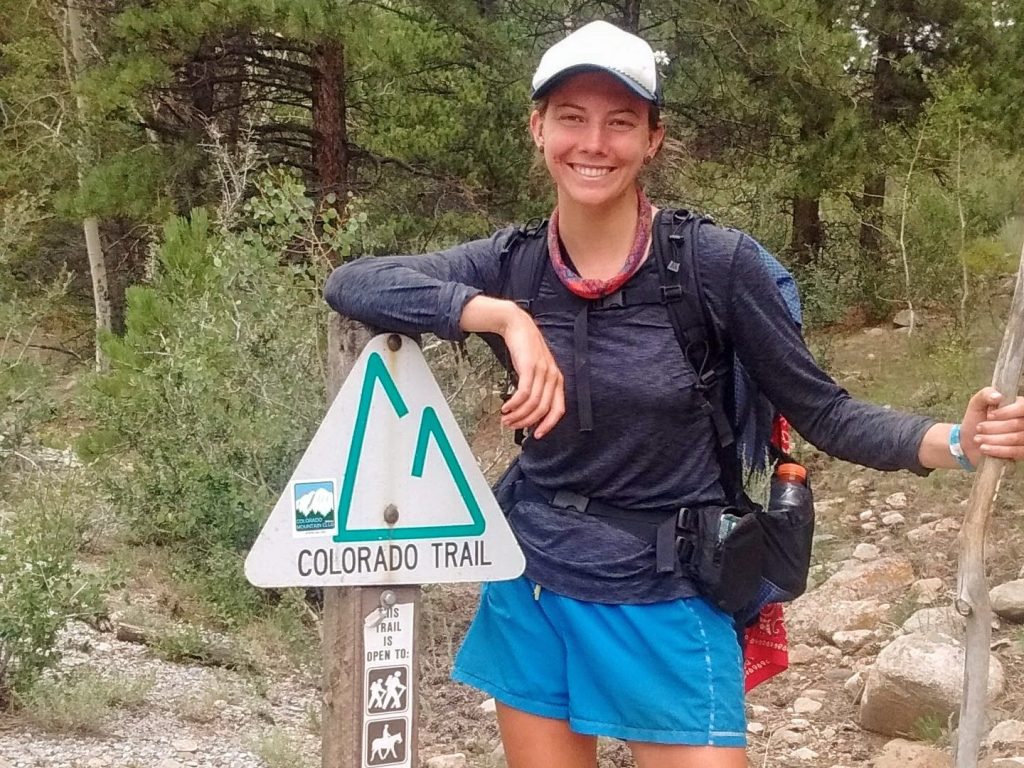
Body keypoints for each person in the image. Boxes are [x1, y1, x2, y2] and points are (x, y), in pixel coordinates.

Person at [325, 20, 1024, 768]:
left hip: (668, 591)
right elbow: (354, 282)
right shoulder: (513, 264)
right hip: (534, 585)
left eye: (620, 122)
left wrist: (957, 440)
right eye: (571, 117)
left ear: (652, 138)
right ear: (537, 127)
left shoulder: (713, 267)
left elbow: (824, 409)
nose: (593, 143)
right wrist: (500, 315)